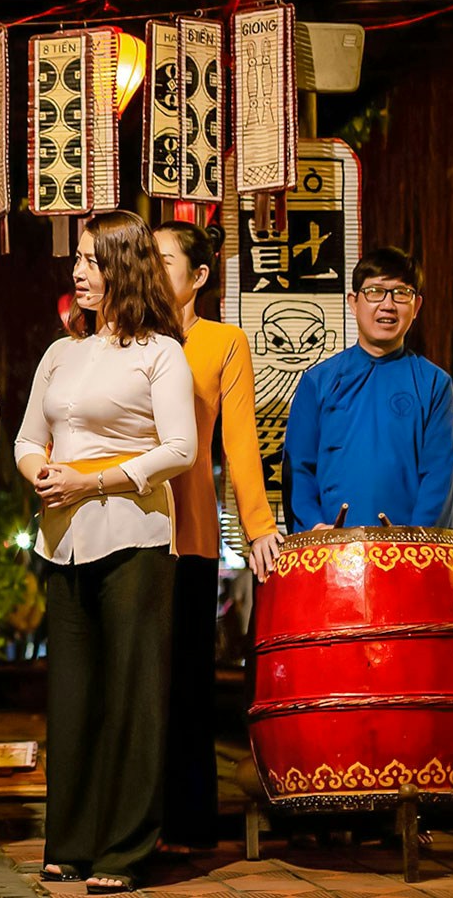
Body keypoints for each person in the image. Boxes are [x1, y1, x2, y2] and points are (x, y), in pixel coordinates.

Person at [14, 211, 195, 894]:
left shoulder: (160, 353)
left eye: (92, 260)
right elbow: (28, 437)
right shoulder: (62, 352)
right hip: (65, 538)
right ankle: (71, 842)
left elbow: (181, 450)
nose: (79, 272)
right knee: (74, 694)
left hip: (135, 535)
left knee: (132, 695)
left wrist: (91, 479)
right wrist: (39, 471)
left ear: (125, 265)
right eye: (78, 261)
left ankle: (122, 851)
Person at [152, 221, 281, 854]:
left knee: (188, 682)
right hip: (120, 528)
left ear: (199, 276)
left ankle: (187, 823)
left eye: (164, 260)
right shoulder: (119, 337)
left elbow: (240, 444)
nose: (149, 269)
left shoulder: (223, 342)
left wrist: (258, 526)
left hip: (192, 529)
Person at [282, 247, 453, 532]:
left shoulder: (435, 384)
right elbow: (299, 470)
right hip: (330, 550)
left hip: (407, 552)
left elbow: (438, 478)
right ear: (353, 302)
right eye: (375, 291)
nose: (388, 304)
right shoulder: (317, 382)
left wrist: (417, 539)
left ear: (417, 306)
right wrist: (314, 527)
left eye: (401, 293)